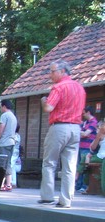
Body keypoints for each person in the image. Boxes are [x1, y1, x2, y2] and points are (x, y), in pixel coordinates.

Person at [38, 59, 86, 208]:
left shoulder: (59, 87)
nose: (50, 75)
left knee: (49, 163)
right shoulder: (80, 88)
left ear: (62, 71)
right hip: (76, 128)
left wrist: (43, 101)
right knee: (70, 166)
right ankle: (66, 200)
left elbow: (48, 108)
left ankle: (47, 197)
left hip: (59, 127)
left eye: (52, 71)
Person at [0, 99, 18, 191]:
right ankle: (8, 184)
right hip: (11, 142)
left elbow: (1, 130)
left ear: (4, 106)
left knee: (3, 163)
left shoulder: (4, 116)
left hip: (4, 143)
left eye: (1, 107)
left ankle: (3, 184)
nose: (0, 109)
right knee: (8, 163)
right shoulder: (13, 116)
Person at [76, 106, 98, 192]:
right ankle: (78, 186)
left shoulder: (94, 122)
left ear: (88, 112)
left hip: (87, 148)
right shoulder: (85, 123)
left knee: (85, 167)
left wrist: (84, 133)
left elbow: (85, 134)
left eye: (84, 113)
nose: (83, 114)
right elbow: (82, 133)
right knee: (79, 167)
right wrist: (83, 133)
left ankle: (84, 186)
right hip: (80, 146)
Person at [82, 121, 105, 195]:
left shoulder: (100, 135)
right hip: (100, 156)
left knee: (85, 158)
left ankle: (84, 170)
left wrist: (97, 137)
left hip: (100, 156)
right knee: (86, 156)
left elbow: (93, 147)